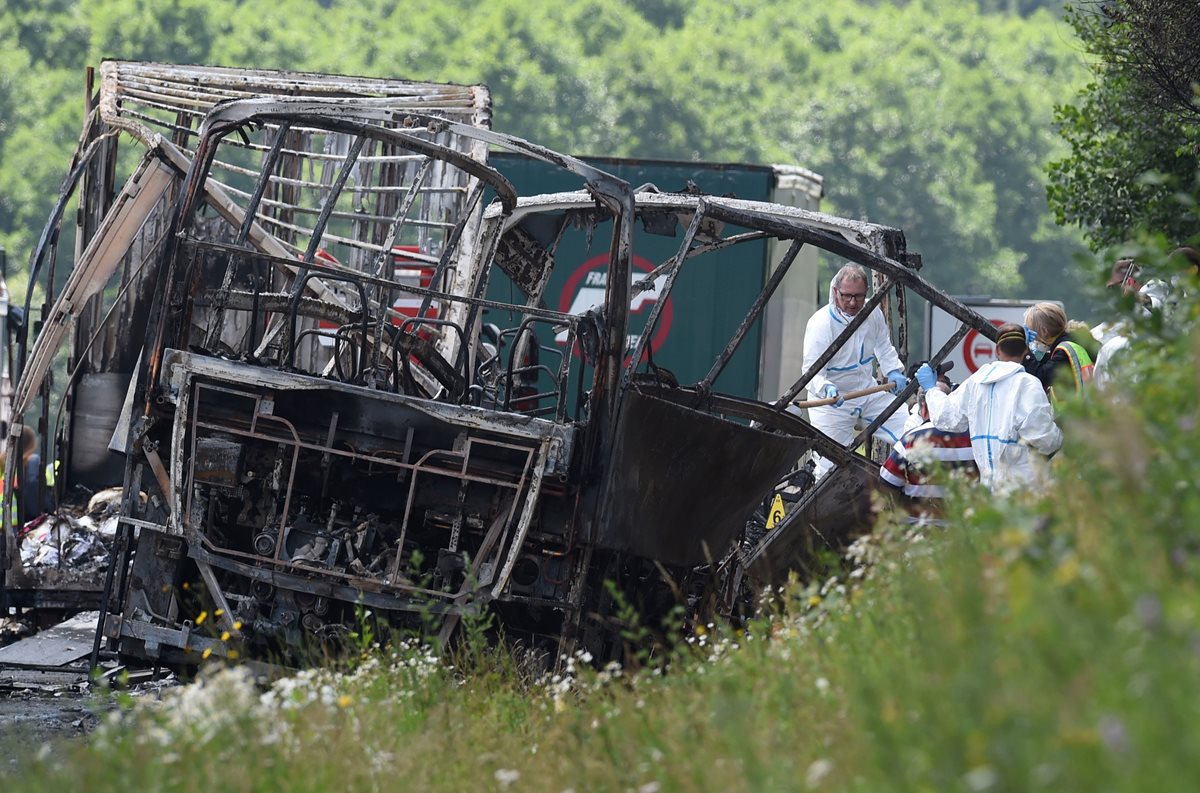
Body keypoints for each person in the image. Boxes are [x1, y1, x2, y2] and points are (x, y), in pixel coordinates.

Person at [917, 323, 1062, 494]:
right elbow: (1045, 439)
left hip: (991, 492)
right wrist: (1061, 432)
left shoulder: (975, 382)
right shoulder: (1028, 384)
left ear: (997, 351)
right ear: (1025, 351)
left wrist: (931, 390)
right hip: (1025, 493)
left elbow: (947, 417)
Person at [801, 263, 908, 477]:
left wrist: (895, 371)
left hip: (867, 392)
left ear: (866, 293)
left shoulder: (872, 312)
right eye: (847, 296)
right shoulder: (821, 324)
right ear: (835, 291)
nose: (852, 302)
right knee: (830, 470)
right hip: (831, 404)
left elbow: (884, 347)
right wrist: (827, 389)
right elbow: (811, 373)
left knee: (912, 431)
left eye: (858, 296)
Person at [879, 377, 978, 522]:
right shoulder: (973, 439)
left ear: (923, 408)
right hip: (961, 533)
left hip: (918, 531)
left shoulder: (910, 439)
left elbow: (886, 484)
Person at [1022, 302, 1094, 400]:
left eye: (1033, 333)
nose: (1034, 340)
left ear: (1044, 331)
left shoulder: (1064, 350)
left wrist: (1025, 352)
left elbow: (1042, 376)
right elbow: (1050, 363)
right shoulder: (1076, 340)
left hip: (1079, 412)